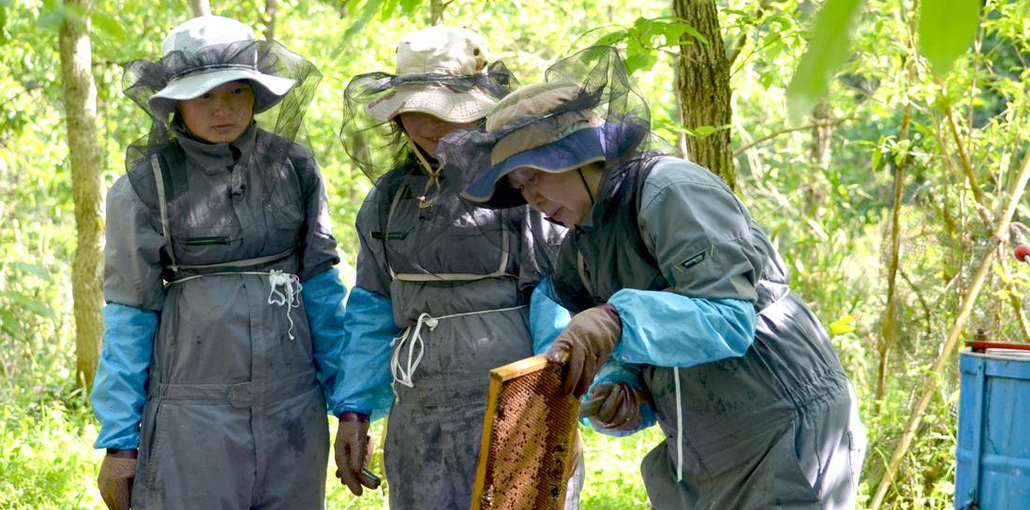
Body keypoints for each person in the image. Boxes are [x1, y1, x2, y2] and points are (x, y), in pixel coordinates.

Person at [443, 46, 867, 510]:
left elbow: (727, 320)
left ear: (582, 156)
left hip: (784, 420)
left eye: (536, 176)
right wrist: (627, 391)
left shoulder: (670, 190)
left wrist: (615, 319)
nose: (533, 197)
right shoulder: (582, 245)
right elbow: (652, 346)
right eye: (520, 187)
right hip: (705, 443)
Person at [92, 15, 345, 510]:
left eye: (236, 92)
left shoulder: (294, 167)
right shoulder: (147, 186)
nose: (223, 109)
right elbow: (130, 314)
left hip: (293, 407)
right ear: (174, 102)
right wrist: (120, 441)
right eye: (204, 95)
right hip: (192, 412)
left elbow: (322, 286)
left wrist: (351, 407)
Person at [331, 26, 580, 509]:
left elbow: (555, 296)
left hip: (518, 399)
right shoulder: (388, 198)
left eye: (445, 110)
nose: (430, 126)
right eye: (416, 110)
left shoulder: (523, 184)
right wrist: (354, 410)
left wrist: (557, 401)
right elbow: (372, 308)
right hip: (419, 411)